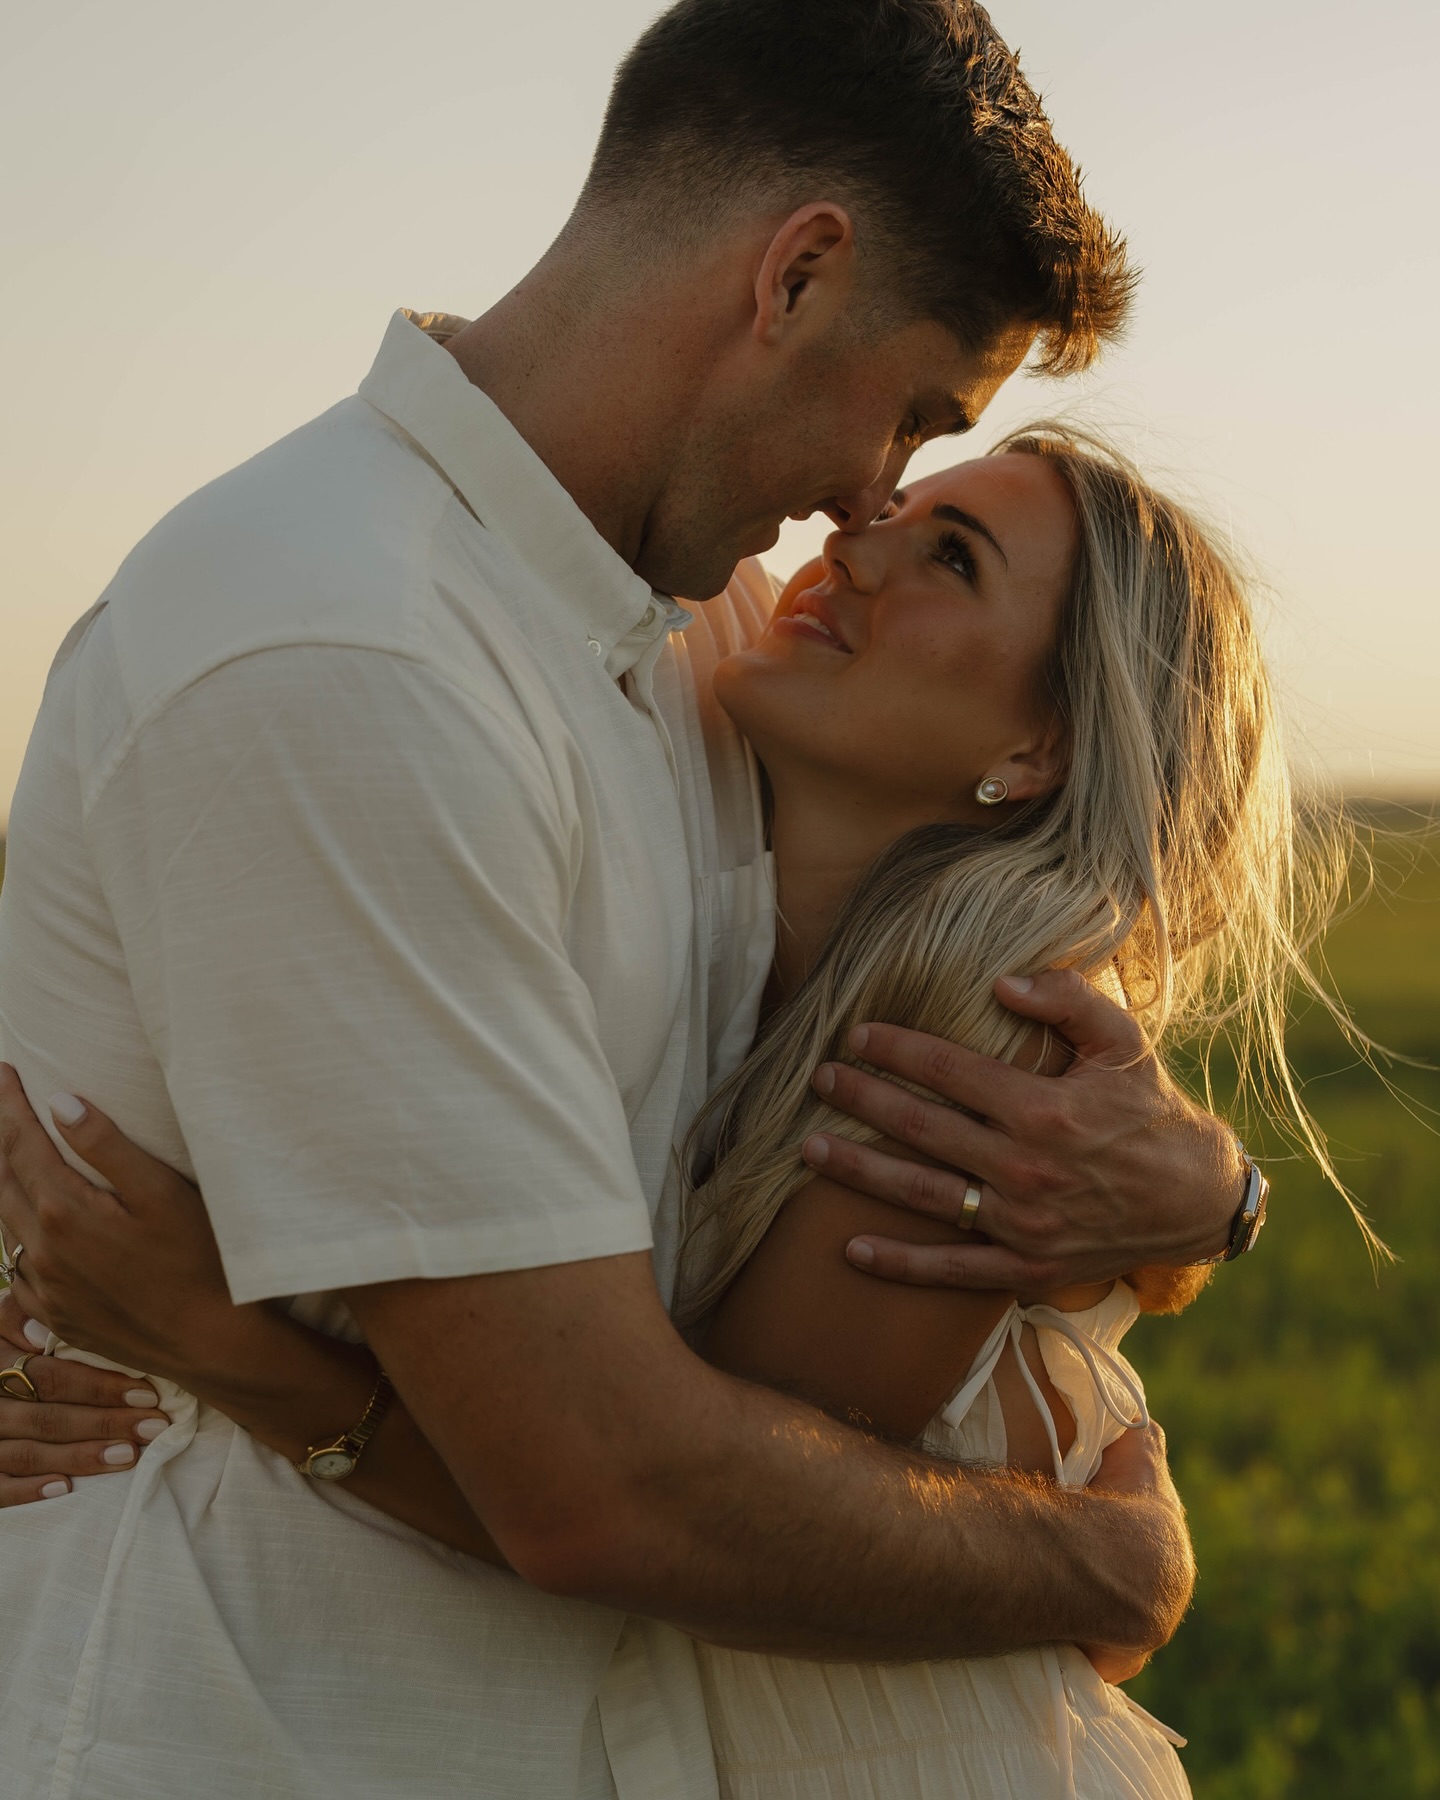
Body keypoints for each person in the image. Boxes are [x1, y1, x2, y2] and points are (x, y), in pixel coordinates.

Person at [0, 1, 1249, 1794]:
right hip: (257, 1725)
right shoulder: (348, 651)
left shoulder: (689, 627)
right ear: (796, 275)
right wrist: (1108, 1558)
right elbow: (607, 1489)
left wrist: (1214, 1195)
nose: (869, 505)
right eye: (914, 412)